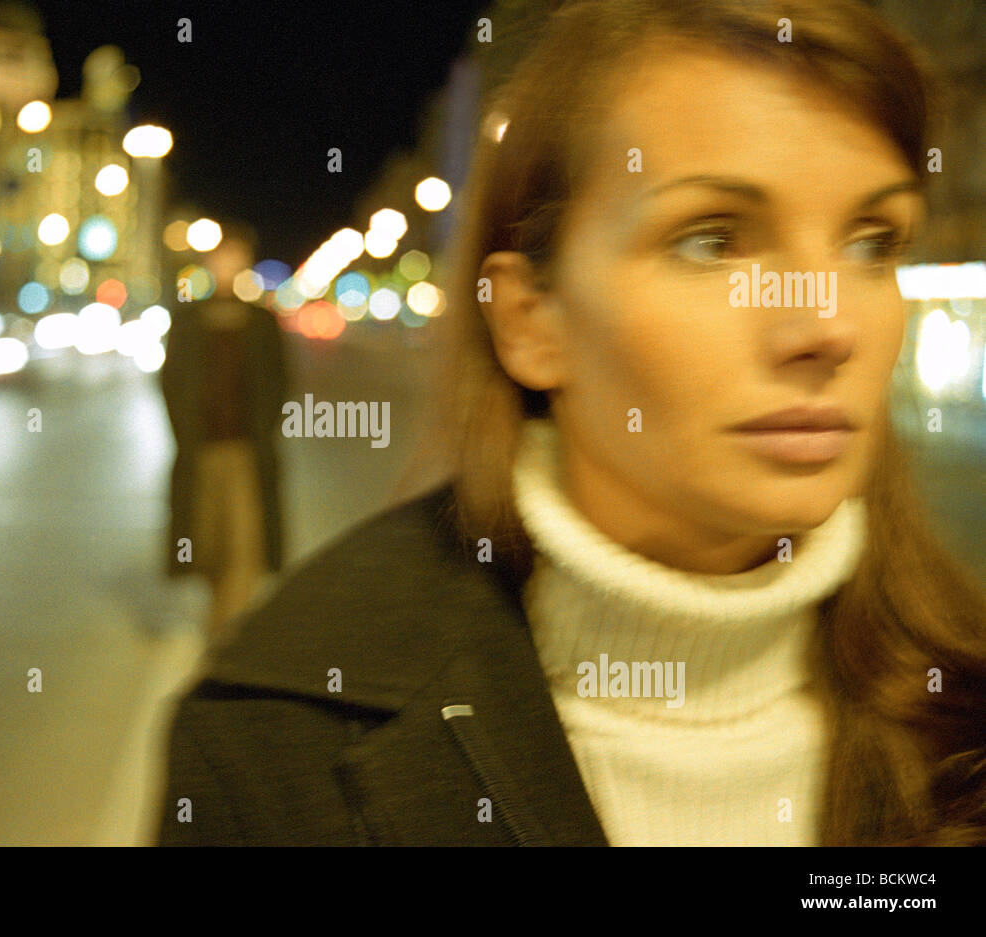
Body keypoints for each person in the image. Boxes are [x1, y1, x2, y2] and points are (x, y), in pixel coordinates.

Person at [157, 0, 986, 846]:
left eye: (873, 242)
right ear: (530, 321)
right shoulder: (276, 736)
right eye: (712, 240)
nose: (828, 325)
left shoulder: (964, 699)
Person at [159, 222, 289, 649]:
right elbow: (170, 381)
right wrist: (185, 432)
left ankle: (225, 635)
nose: (227, 266)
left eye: (235, 257)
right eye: (221, 257)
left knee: (245, 545)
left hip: (247, 453)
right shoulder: (188, 320)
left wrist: (264, 428)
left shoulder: (261, 323)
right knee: (207, 543)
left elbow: (279, 383)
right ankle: (222, 618)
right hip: (200, 452)